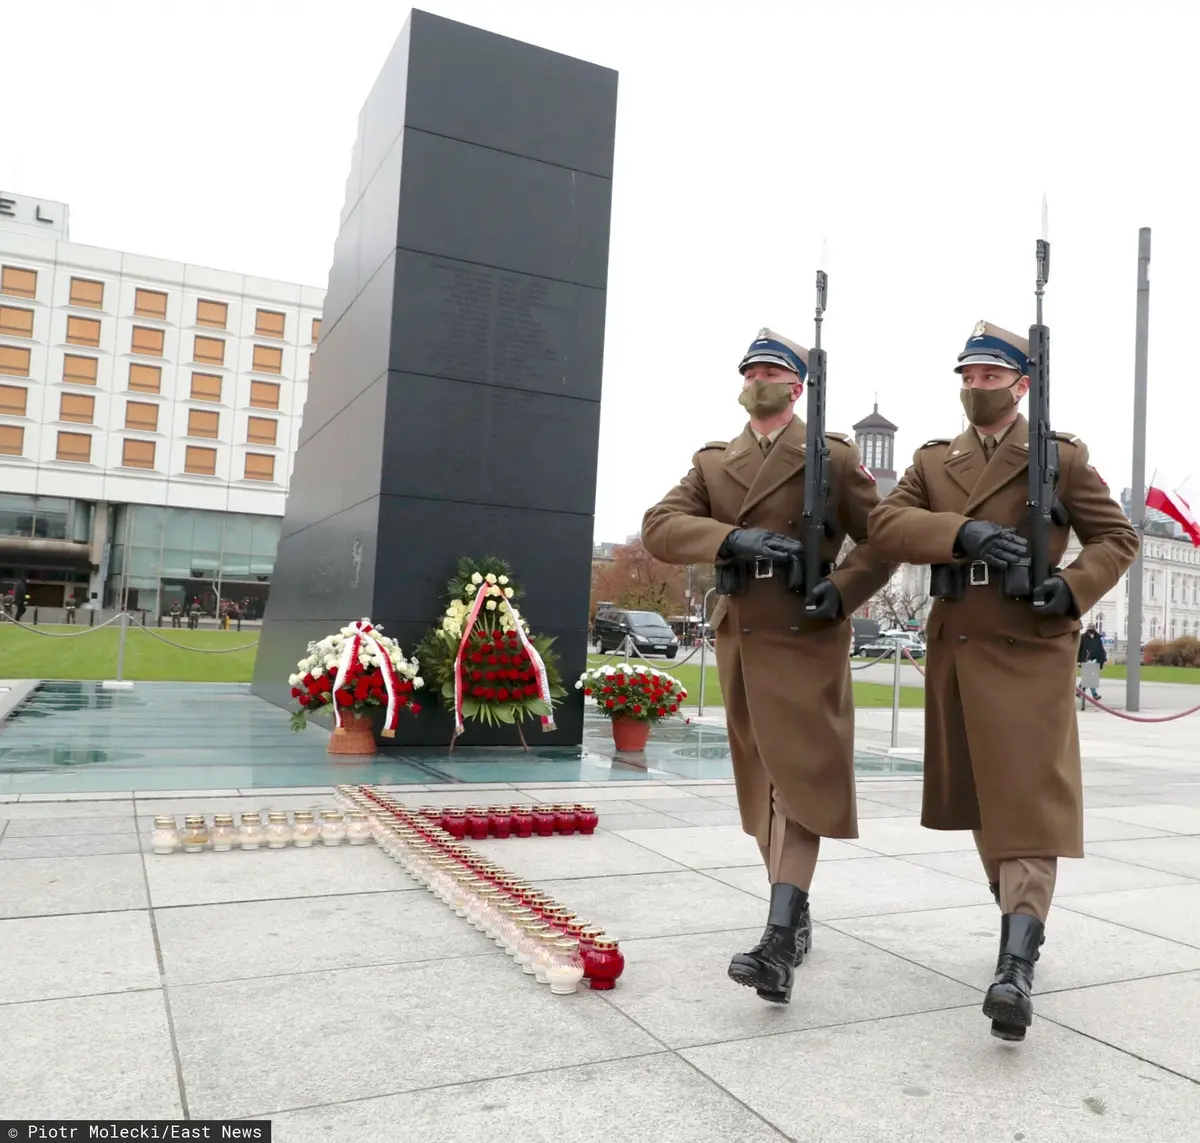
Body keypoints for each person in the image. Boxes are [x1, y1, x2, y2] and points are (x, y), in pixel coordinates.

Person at [867, 320, 1138, 1042]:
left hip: (1032, 641)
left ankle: (1014, 963)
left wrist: (1074, 587)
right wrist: (962, 534)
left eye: (990, 376)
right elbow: (888, 527)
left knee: (1028, 798)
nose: (976, 387)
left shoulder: (1062, 457)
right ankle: (1020, 912)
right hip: (959, 642)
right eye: (967, 375)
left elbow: (1118, 536)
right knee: (987, 800)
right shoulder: (933, 461)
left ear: (1022, 382)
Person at [642, 327, 891, 1005]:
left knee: (797, 781)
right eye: (751, 368)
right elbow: (659, 525)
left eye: (773, 368)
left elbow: (886, 536)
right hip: (741, 632)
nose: (759, 377)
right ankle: (796, 904)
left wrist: (842, 590)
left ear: (797, 384)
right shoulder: (715, 462)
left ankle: (778, 941)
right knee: (760, 788)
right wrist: (730, 536)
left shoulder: (832, 456)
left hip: (806, 630)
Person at [1077, 624, 1106, 700]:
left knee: (1089, 677)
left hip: (1095, 660)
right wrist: (1078, 660)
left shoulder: (1098, 638)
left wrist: (1102, 660)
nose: (1091, 630)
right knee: (1090, 677)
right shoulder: (1083, 637)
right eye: (1090, 628)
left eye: (1093, 628)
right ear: (1088, 629)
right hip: (1086, 659)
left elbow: (1101, 649)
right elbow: (1079, 649)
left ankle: (1079, 691)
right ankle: (1094, 694)